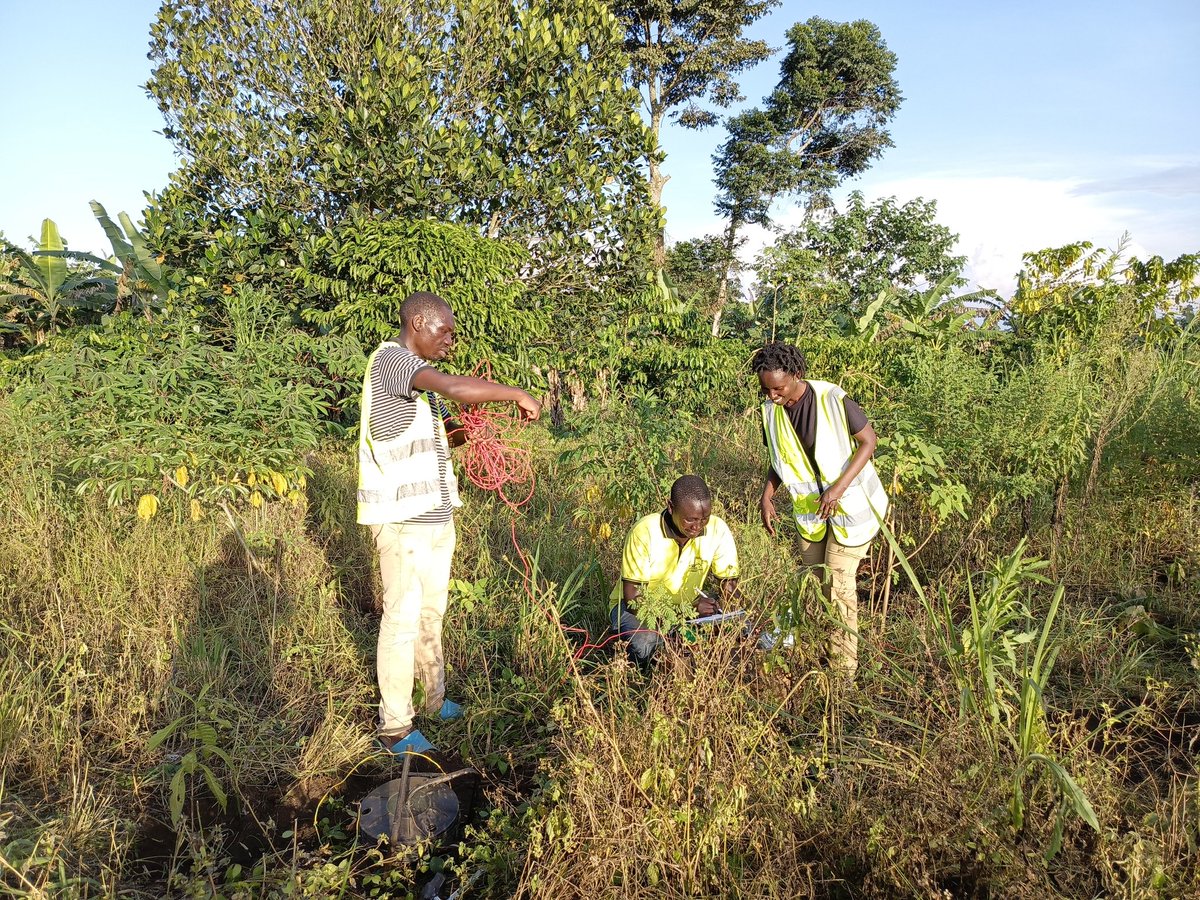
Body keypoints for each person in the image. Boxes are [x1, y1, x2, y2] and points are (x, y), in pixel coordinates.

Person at [358, 291, 540, 753]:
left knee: (431, 614)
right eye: (445, 332)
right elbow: (456, 387)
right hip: (403, 522)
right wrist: (515, 393)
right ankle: (395, 726)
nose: (450, 342)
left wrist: (470, 432)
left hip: (436, 520)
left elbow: (439, 437)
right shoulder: (393, 362)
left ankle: (435, 700)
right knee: (401, 620)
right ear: (418, 322)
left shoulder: (416, 387)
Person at [753, 341, 889, 680]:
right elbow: (780, 461)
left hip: (851, 511)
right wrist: (767, 495)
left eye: (778, 388)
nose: (772, 396)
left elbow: (869, 441)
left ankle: (843, 678)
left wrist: (838, 488)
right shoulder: (770, 411)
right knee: (813, 584)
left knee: (839, 586)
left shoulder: (832, 398)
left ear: (797, 375)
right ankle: (807, 649)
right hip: (812, 516)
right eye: (766, 389)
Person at [610, 475, 742, 664]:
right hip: (636, 609)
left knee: (734, 636)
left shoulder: (717, 529)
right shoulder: (644, 532)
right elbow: (633, 598)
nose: (697, 527)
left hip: (690, 608)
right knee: (646, 644)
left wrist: (731, 616)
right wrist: (685, 612)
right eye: (691, 520)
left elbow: (729, 586)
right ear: (671, 507)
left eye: (704, 519)